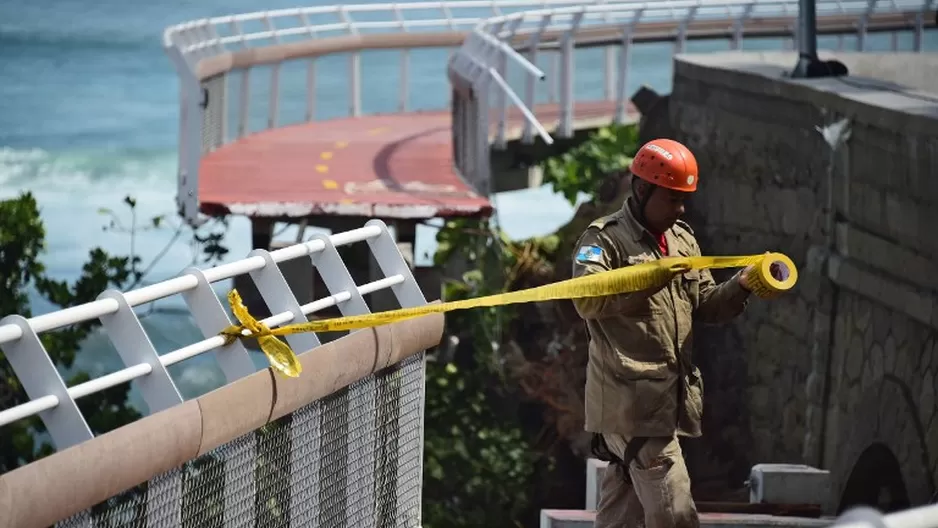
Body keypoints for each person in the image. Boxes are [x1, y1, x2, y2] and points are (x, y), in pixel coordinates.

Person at [571, 138, 757, 528]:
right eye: (672, 199)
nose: (680, 208)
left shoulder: (683, 239)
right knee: (676, 515)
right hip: (631, 409)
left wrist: (742, 284)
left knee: (621, 516)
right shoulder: (603, 240)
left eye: (683, 199)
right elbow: (586, 300)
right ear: (642, 190)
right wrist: (646, 280)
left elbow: (706, 304)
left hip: (666, 404)